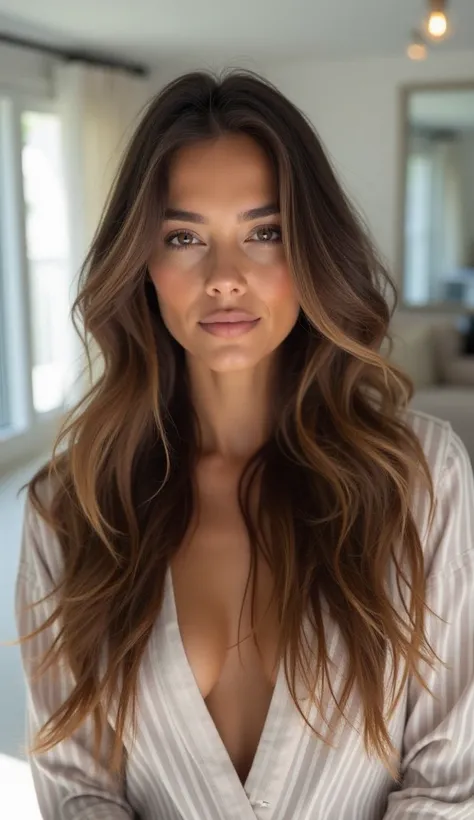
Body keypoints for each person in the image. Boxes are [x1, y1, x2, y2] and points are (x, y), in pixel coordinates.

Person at [15, 69, 474, 819]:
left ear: (313, 251)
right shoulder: (73, 510)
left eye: (265, 233)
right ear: (144, 265)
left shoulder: (421, 477)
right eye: (185, 237)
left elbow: (450, 783)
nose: (225, 278)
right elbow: (78, 792)